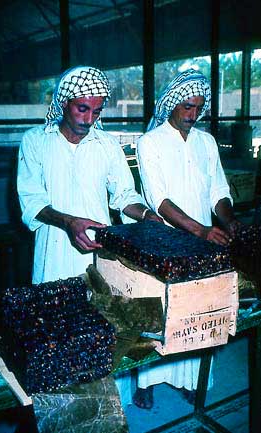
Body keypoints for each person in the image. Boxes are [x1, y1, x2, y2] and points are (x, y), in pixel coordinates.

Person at [134, 68, 240, 409]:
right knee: (159, 311)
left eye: (197, 108)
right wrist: (201, 230)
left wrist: (227, 219)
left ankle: (190, 380)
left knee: (196, 312)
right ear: (172, 105)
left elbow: (218, 189)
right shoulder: (149, 143)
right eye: (186, 108)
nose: (192, 115)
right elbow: (158, 200)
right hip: (164, 239)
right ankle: (147, 381)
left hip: (202, 242)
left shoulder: (206, 142)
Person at [17, 65, 161, 284]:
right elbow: (32, 201)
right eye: (82, 109)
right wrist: (69, 222)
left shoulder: (108, 145)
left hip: (99, 250)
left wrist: (145, 215)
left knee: (101, 307)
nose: (89, 119)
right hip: (53, 253)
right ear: (64, 102)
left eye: (96, 111)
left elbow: (124, 195)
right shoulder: (35, 141)